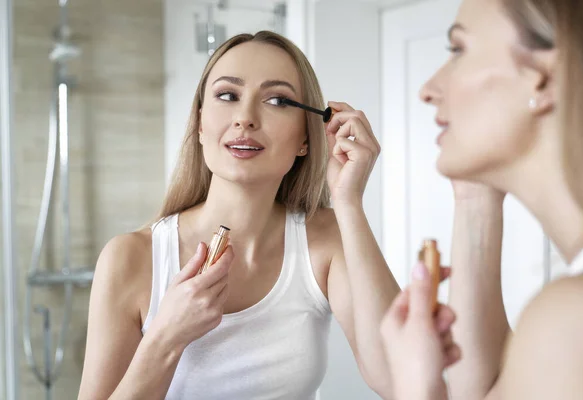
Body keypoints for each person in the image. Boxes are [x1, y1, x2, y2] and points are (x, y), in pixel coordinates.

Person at [78, 31, 399, 400]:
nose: (245, 118)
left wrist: (349, 202)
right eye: (227, 96)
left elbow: (400, 379)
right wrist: (166, 337)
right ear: (200, 124)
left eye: (277, 100)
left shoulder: (326, 240)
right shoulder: (129, 259)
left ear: (305, 139)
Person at [380, 0, 583, 398]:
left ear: (544, 80)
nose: (428, 90)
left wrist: (416, 389)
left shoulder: (577, 317)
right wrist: (473, 190)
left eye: (458, 50)